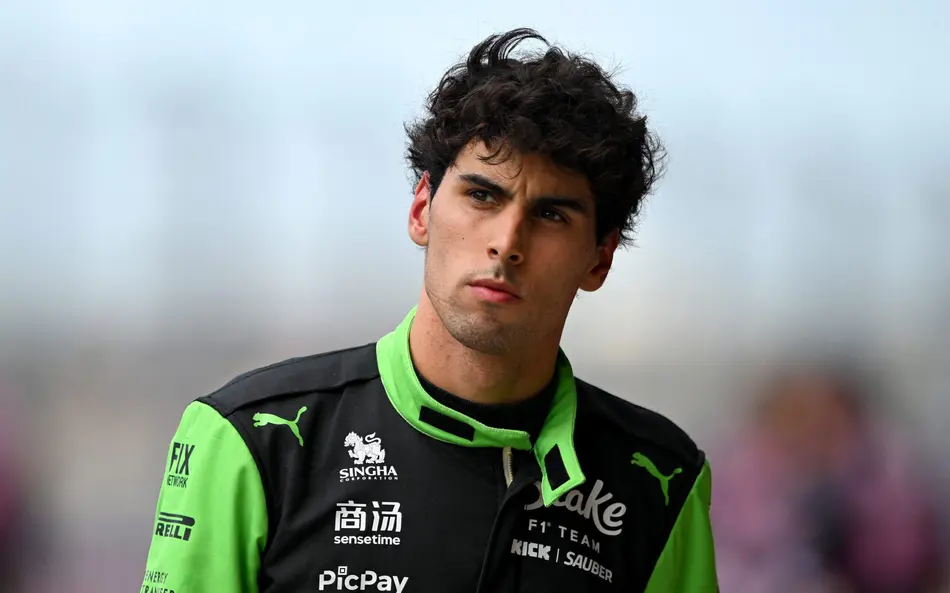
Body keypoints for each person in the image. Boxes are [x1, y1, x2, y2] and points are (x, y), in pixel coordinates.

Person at [140, 28, 718, 592]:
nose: (507, 243)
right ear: (421, 210)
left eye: (550, 215)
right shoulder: (252, 439)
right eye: (482, 195)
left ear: (600, 258)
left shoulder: (663, 481)